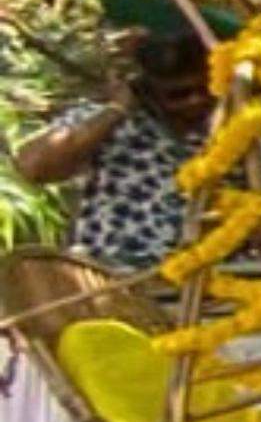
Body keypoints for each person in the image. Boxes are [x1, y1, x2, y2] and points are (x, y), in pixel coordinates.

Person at [15, 27, 212, 275]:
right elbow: (33, 167)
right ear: (149, 89)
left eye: (204, 90)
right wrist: (117, 110)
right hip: (117, 277)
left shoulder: (238, 128)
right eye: (179, 94)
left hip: (210, 280)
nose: (195, 100)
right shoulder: (104, 120)